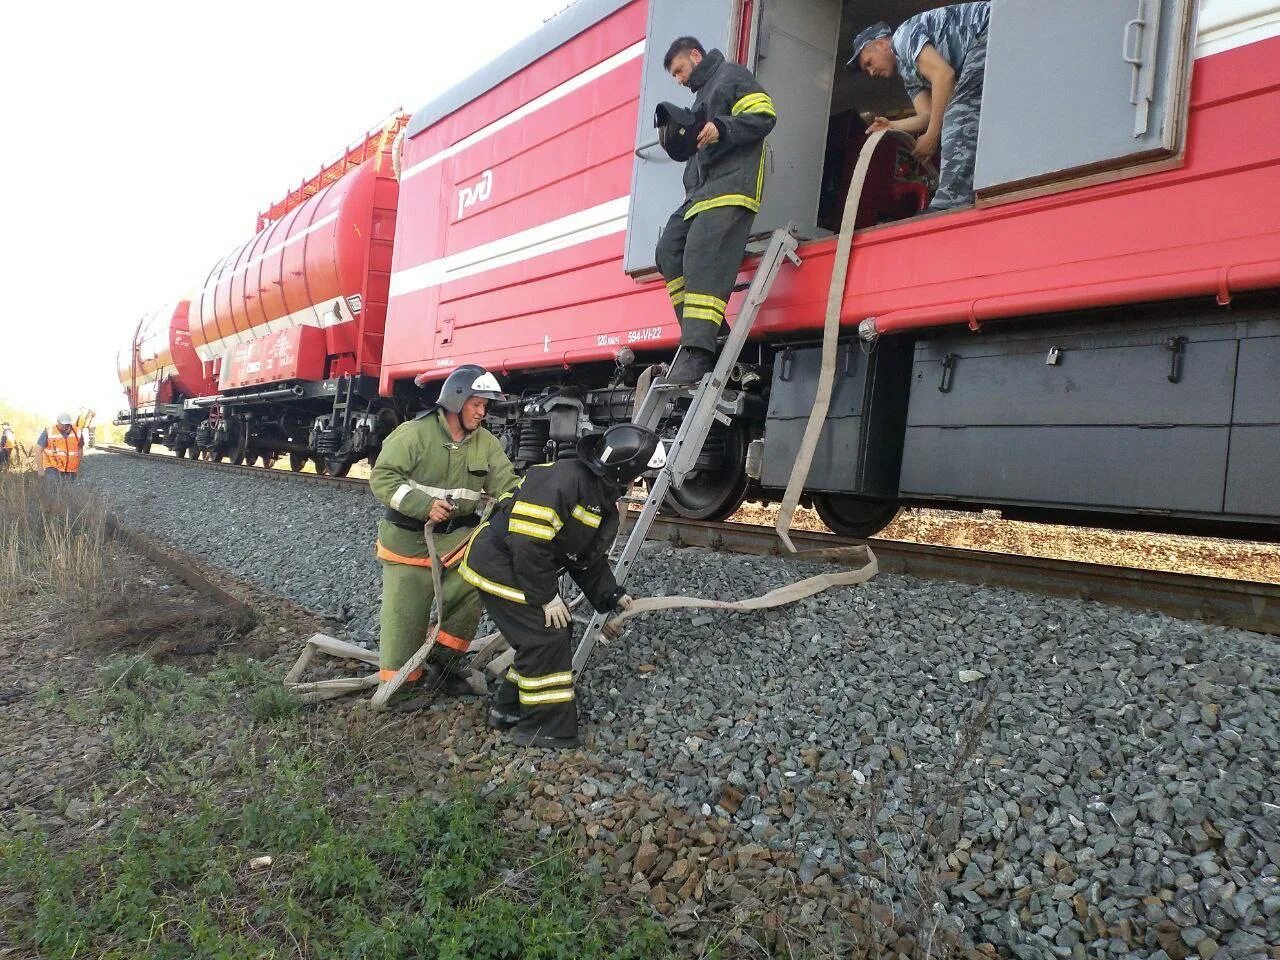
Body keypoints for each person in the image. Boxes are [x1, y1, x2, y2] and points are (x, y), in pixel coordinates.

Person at [461, 423, 666, 749]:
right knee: (546, 634)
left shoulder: (595, 491)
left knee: (551, 632)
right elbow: (528, 543)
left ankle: (509, 708)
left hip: (519, 565)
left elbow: (582, 555)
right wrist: (546, 598)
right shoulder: (564, 482)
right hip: (499, 563)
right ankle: (544, 727)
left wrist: (611, 594)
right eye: (637, 475)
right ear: (623, 470)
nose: (636, 482)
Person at [369, 364, 519, 707]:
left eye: (485, 405)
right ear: (456, 399)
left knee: (474, 583)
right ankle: (398, 688)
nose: (482, 412)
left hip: (456, 541)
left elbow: (507, 486)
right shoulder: (413, 434)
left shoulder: (486, 443)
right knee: (405, 613)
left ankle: (443, 662)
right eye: (477, 403)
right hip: (407, 542)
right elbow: (383, 479)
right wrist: (424, 506)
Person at [654, 36, 777, 385]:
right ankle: (711, 333)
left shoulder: (731, 75)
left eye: (679, 70)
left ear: (695, 55)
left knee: (701, 254)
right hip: (700, 192)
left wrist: (722, 127)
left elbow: (764, 114)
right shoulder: (700, 98)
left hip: (731, 187)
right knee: (668, 251)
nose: (679, 79)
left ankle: (698, 351)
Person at [848, 1, 990, 211]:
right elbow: (928, 115)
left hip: (990, 27)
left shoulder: (902, 38)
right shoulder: (909, 75)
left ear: (881, 44)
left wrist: (932, 136)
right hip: (983, 43)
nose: (871, 72)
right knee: (955, 113)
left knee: (959, 112)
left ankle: (951, 200)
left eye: (869, 62)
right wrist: (892, 126)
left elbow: (944, 76)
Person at [37, 414, 83, 479]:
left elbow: (80, 449)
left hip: (71, 470)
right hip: (52, 469)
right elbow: (38, 450)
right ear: (58, 422)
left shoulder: (77, 432)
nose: (65, 426)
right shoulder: (49, 431)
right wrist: (40, 469)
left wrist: (78, 468)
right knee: (53, 488)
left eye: (67, 424)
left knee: (69, 488)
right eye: (63, 424)